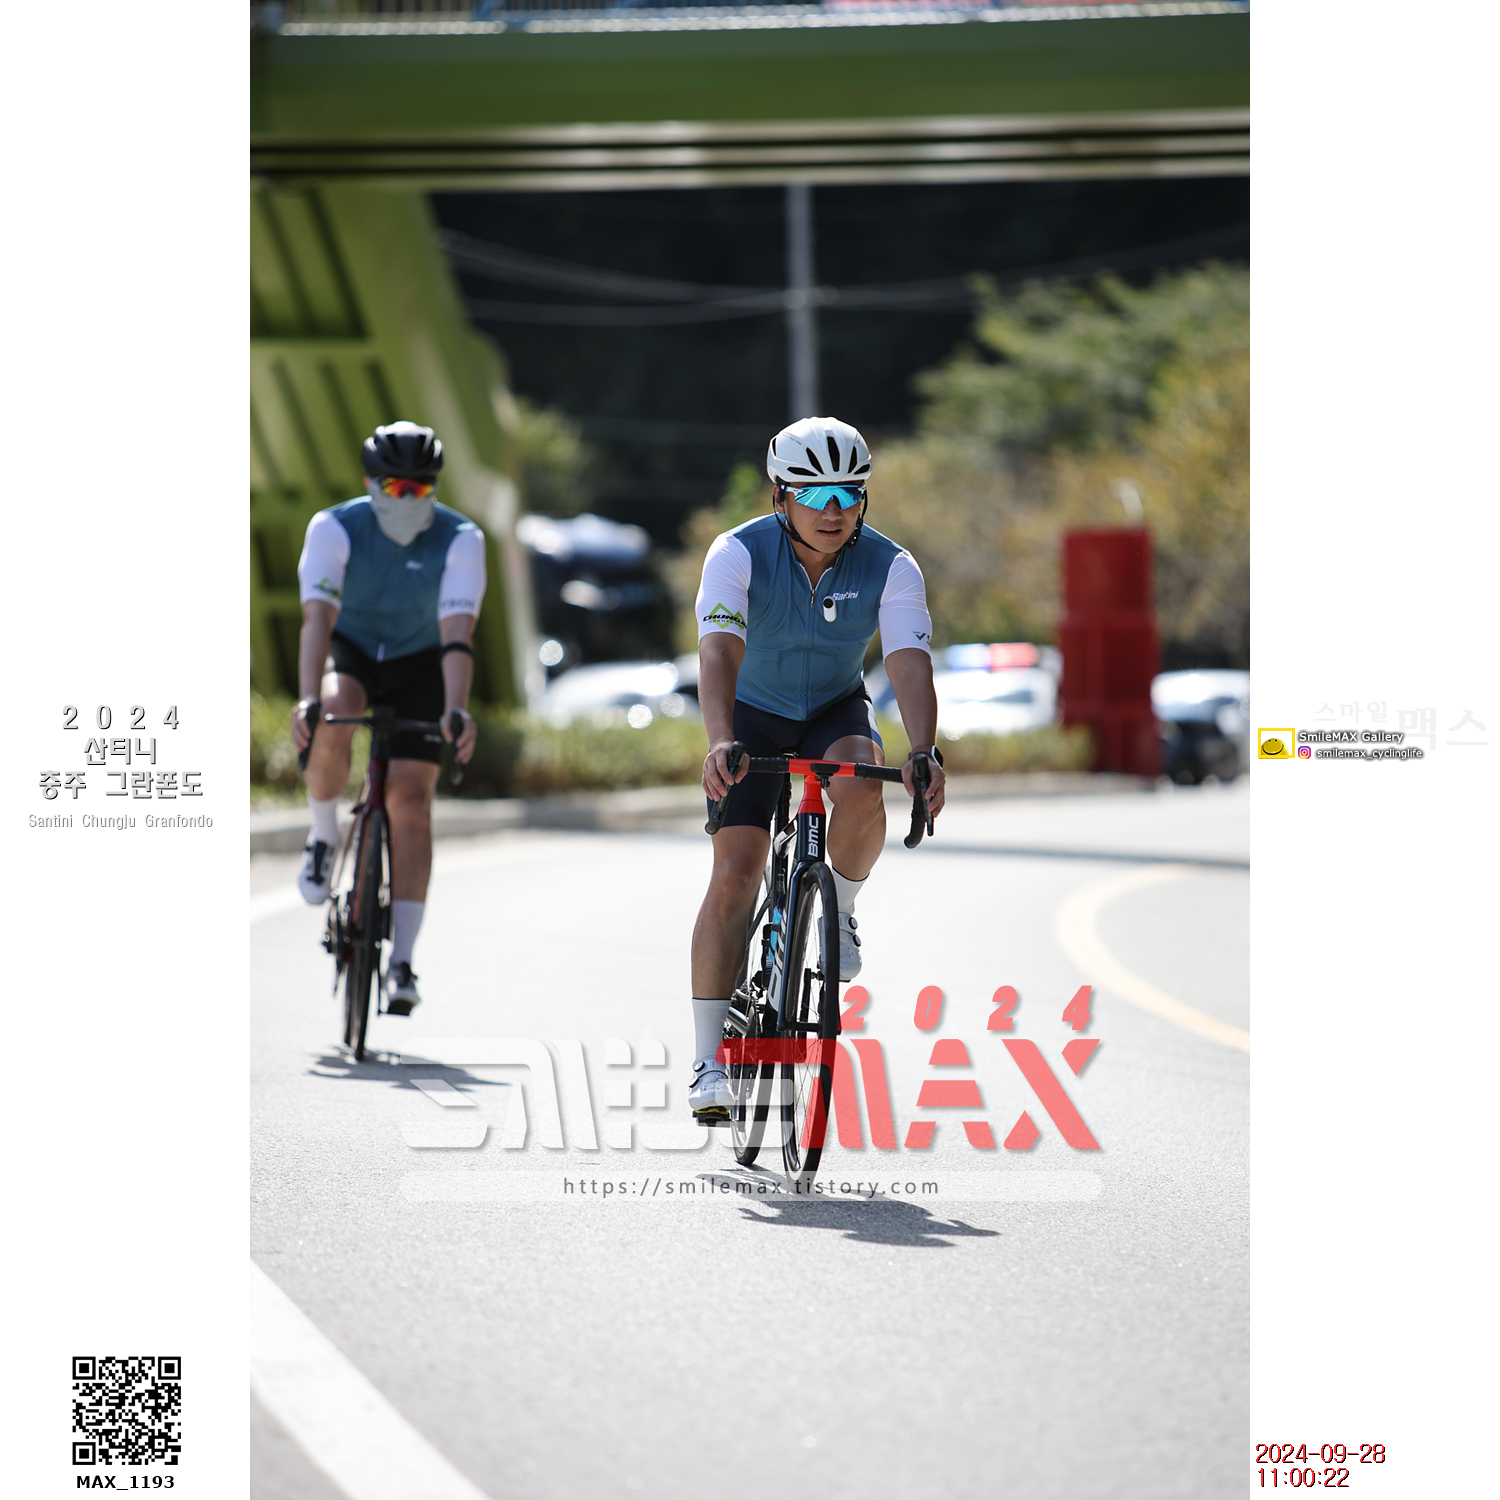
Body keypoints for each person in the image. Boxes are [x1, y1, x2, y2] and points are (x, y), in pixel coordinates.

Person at [688, 416, 947, 1120]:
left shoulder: (892, 565)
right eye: (814, 494)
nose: (833, 511)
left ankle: (842, 909)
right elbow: (718, 650)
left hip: (834, 708)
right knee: (736, 873)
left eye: (848, 494)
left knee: (863, 781)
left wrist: (923, 749)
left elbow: (908, 660)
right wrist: (720, 739)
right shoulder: (737, 553)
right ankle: (708, 1060)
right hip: (750, 715)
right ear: (780, 496)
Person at [289, 421, 484, 1015]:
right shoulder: (334, 527)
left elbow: (457, 633)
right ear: (370, 484)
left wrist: (455, 709)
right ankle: (325, 833)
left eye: (420, 488)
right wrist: (307, 698)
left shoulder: (461, 538)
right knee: (336, 711)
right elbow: (317, 620)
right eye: (395, 486)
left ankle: (402, 959)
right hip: (352, 650)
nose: (407, 499)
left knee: (411, 801)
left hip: (422, 660)